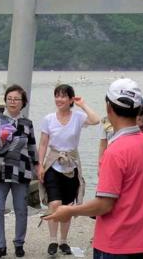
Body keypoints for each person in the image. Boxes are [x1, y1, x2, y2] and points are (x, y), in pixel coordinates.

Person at [45, 78, 143, 259]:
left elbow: (104, 205)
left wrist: (70, 210)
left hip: (114, 243)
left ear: (109, 107)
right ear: (138, 110)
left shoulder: (115, 151)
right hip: (142, 243)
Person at [37, 84, 100, 256]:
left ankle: (63, 241)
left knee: (67, 206)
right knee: (54, 203)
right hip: (53, 163)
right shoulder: (48, 119)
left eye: (63, 96)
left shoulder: (78, 117)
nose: (59, 99)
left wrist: (83, 104)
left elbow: (96, 120)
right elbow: (43, 144)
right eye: (57, 95)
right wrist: (40, 165)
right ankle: (52, 240)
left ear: (71, 99)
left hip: (71, 165)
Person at [0, 85, 38, 258]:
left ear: (23, 103)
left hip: (21, 170)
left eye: (16, 99)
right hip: (0, 170)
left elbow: (32, 147)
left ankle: (19, 243)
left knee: (21, 208)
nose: (12, 102)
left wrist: (37, 166)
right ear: (5, 101)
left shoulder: (27, 124)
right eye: (9, 99)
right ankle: (1, 245)